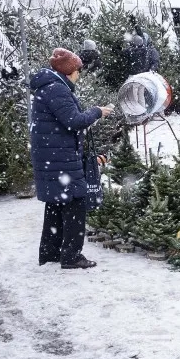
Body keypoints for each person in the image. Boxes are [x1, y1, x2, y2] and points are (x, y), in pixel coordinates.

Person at [30, 48, 114, 269]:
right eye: (78, 70)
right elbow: (73, 120)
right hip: (61, 159)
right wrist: (97, 112)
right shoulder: (56, 89)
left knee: (56, 204)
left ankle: (49, 253)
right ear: (69, 71)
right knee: (76, 202)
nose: (79, 74)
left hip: (52, 156)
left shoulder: (48, 87)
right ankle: (71, 256)